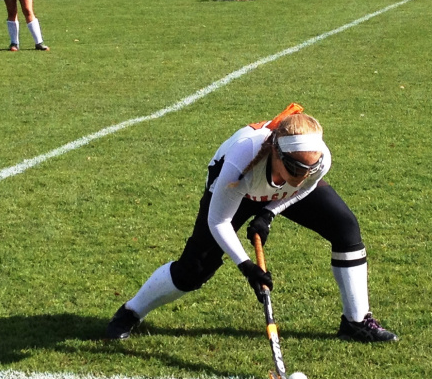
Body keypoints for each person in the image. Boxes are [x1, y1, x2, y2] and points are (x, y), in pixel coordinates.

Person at [104, 103, 398, 344]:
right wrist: (247, 267)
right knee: (193, 270)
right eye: (294, 168)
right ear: (276, 152)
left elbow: (305, 186)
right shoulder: (241, 161)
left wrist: (269, 213)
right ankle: (131, 312)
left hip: (271, 195)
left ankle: (356, 321)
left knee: (345, 227)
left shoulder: (316, 163)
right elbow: (219, 221)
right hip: (237, 192)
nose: (301, 175)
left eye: (309, 169)